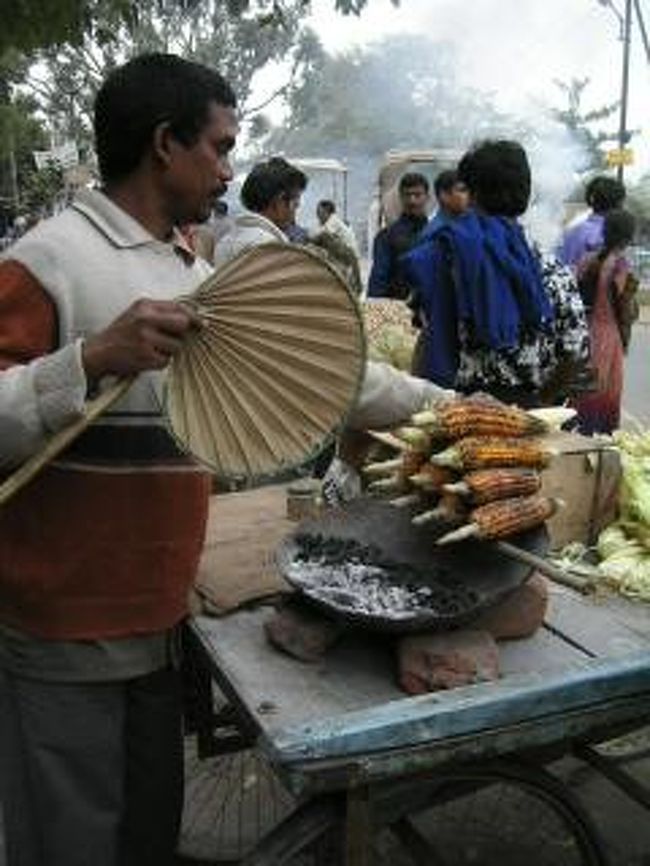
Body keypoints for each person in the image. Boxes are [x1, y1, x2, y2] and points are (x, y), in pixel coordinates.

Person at [0, 53, 238, 866]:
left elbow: (313, 373)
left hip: (161, 622)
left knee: (145, 839)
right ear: (165, 144)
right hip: (63, 632)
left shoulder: (192, 272)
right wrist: (93, 358)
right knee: (70, 845)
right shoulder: (48, 259)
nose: (228, 171)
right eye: (219, 147)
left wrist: (440, 404)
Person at [404, 139, 589, 407]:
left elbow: (426, 338)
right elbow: (575, 351)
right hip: (529, 415)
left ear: (472, 194)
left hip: (457, 414)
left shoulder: (444, 255)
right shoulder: (553, 269)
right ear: (526, 193)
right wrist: (540, 401)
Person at [573, 208, 638, 434]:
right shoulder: (621, 266)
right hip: (609, 337)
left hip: (585, 334)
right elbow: (626, 310)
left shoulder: (587, 260)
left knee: (583, 393)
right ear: (629, 236)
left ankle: (579, 436)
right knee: (605, 395)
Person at [213, 156, 307, 269]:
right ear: (279, 201)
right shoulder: (271, 247)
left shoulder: (224, 243)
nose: (295, 210)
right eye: (295, 203)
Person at [367, 172, 430, 299]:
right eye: (408, 195)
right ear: (400, 198)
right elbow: (378, 279)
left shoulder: (437, 234)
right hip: (398, 307)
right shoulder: (386, 237)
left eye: (417, 195)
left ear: (427, 197)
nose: (412, 200)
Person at [557, 175, 626, 271]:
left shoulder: (573, 231)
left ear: (591, 200)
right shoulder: (616, 233)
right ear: (619, 203)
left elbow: (563, 265)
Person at [310, 199, 362, 294]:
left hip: (349, 254)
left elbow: (321, 235)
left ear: (327, 212)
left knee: (323, 237)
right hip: (346, 256)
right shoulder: (326, 223)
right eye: (317, 212)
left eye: (319, 212)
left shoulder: (333, 220)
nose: (317, 215)